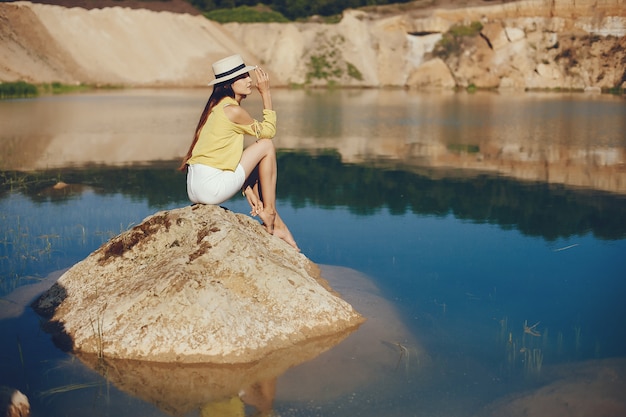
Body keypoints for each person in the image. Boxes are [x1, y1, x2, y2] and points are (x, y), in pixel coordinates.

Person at [179, 54, 298, 250]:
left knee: (257, 153)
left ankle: (278, 225)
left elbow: (225, 156)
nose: (249, 80)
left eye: (247, 75)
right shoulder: (232, 110)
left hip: (196, 189)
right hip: (211, 188)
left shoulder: (215, 108)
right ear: (228, 84)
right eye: (242, 77)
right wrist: (266, 94)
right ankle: (269, 212)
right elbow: (268, 132)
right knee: (266, 145)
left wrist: (247, 187)